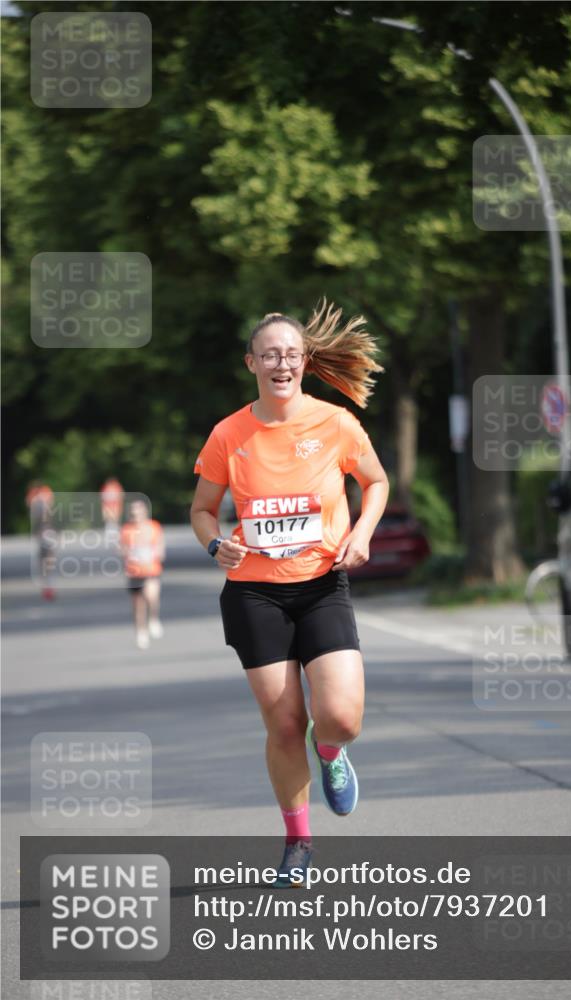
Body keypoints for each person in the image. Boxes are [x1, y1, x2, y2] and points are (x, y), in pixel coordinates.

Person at [190, 300, 389, 886]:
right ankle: (298, 841)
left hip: (323, 584)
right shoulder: (230, 433)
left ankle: (331, 753)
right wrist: (213, 545)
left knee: (341, 717)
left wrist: (363, 531)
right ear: (251, 362)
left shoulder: (336, 423)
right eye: (270, 354)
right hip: (256, 593)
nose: (282, 363)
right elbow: (202, 510)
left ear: (305, 362)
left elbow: (375, 481)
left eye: (291, 354)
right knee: (282, 725)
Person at [120, 500, 165, 649]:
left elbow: (160, 547)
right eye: (133, 513)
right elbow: (122, 550)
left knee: (151, 596)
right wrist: (129, 554)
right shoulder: (126, 530)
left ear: (144, 513)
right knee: (138, 604)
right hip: (135, 571)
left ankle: (153, 619)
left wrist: (156, 553)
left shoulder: (154, 527)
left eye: (138, 512)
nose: (135, 516)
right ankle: (141, 631)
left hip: (152, 569)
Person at [25, 480, 57, 600]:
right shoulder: (46, 500)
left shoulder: (36, 502)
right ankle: (49, 587)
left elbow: (36, 520)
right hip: (49, 532)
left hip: (43, 533)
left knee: (43, 561)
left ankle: (47, 587)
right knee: (49, 561)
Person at [99, 477, 125, 544]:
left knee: (114, 520)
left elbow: (121, 495)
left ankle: (114, 534)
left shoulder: (116, 487)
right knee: (110, 520)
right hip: (109, 506)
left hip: (114, 505)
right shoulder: (108, 487)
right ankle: (111, 534)